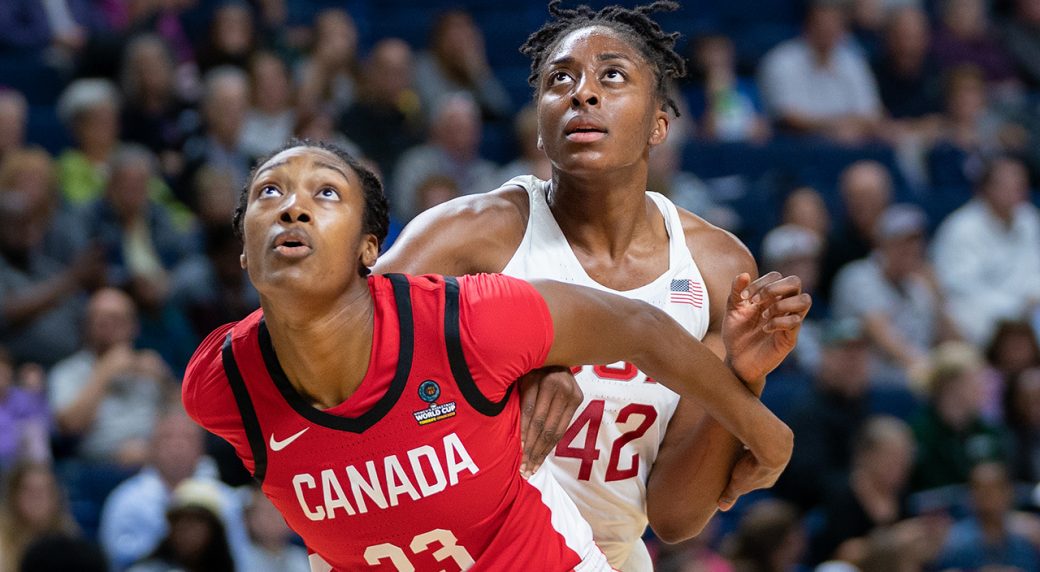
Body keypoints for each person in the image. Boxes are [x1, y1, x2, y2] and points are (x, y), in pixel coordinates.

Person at [182, 139, 794, 571]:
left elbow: (640, 326)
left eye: (325, 193)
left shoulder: (464, 319)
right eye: (269, 192)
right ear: (242, 251)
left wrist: (766, 434)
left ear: (370, 249)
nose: (293, 206)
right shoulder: (219, 387)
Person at [376, 3, 812, 569]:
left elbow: (674, 516)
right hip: (471, 552)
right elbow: (345, 356)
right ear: (540, 123)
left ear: (659, 122)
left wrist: (742, 378)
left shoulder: (712, 264)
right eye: (561, 78)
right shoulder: (467, 234)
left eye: (612, 75)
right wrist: (501, 365)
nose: (582, 94)